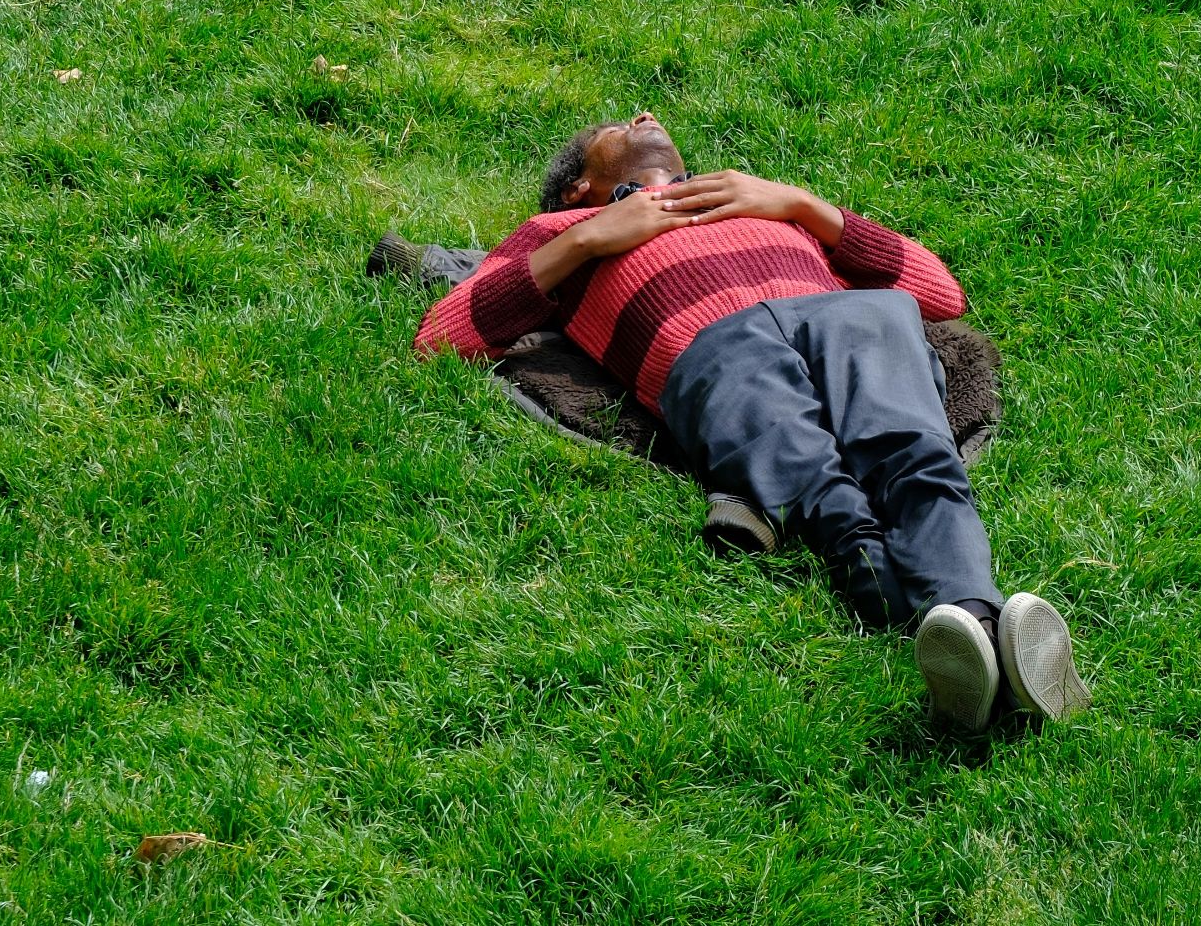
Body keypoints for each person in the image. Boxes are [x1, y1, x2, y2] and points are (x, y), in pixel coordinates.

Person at [414, 113, 1088, 731]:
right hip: (709, 345)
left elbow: (940, 292)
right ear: (579, 186)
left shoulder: (752, 197)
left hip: (851, 319)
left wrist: (800, 205)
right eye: (621, 124)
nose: (646, 116)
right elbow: (444, 335)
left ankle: (972, 618)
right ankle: (968, 641)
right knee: (822, 494)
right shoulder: (559, 234)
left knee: (915, 453)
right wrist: (590, 239)